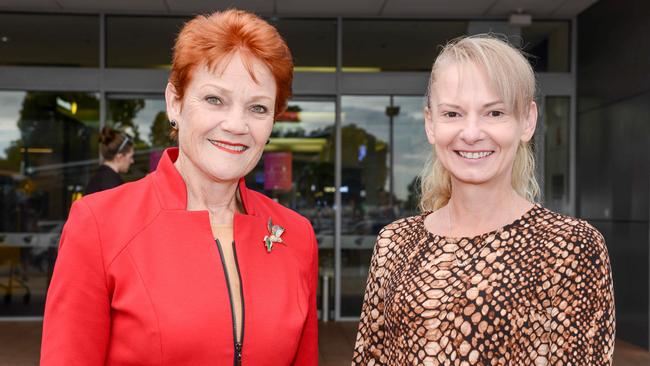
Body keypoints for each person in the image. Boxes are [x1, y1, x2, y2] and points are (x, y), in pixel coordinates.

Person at [41, 9, 318, 366]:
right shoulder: (98, 224)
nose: (236, 125)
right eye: (215, 99)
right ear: (175, 102)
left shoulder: (296, 236)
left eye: (258, 108)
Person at [351, 35, 615, 365]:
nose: (472, 132)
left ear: (527, 121)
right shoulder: (395, 243)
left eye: (494, 113)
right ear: (430, 123)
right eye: (452, 114)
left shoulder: (569, 246)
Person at [84, 126, 135, 195]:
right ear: (119, 157)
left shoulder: (96, 179)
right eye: (130, 157)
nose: (132, 161)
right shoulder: (112, 183)